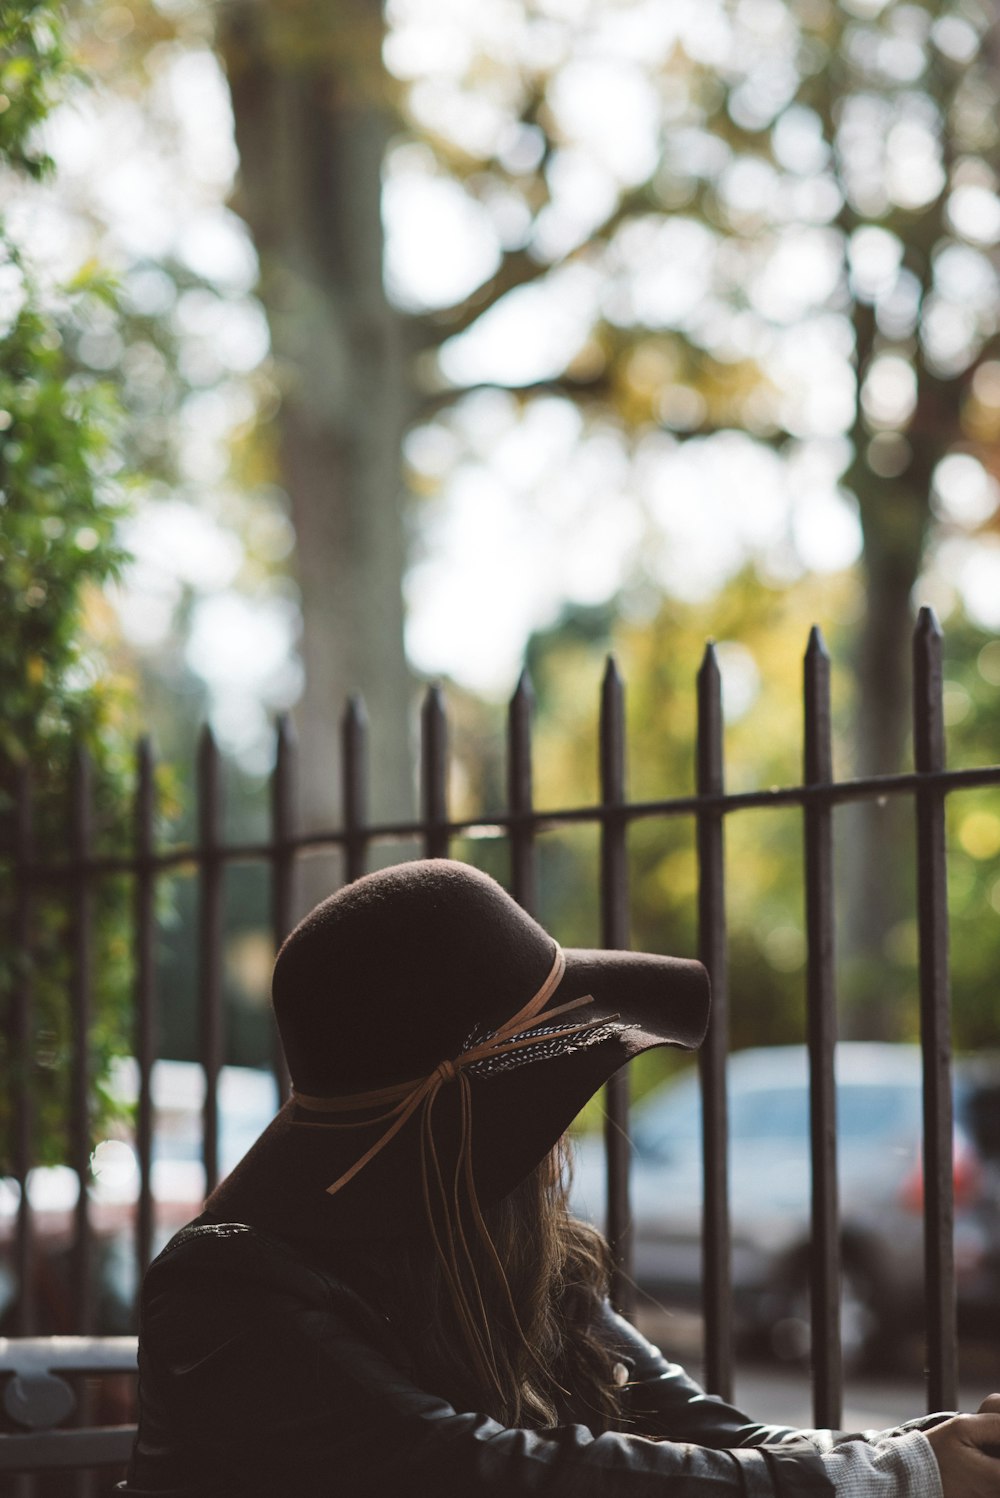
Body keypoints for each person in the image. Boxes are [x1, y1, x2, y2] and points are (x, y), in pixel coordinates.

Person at [122, 859, 1000, 1498]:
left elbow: (714, 1438)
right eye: (544, 1097)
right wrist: (896, 1476)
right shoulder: (221, 1291)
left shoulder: (520, 1261)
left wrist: (934, 1449)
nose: (558, 1139)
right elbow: (476, 1472)